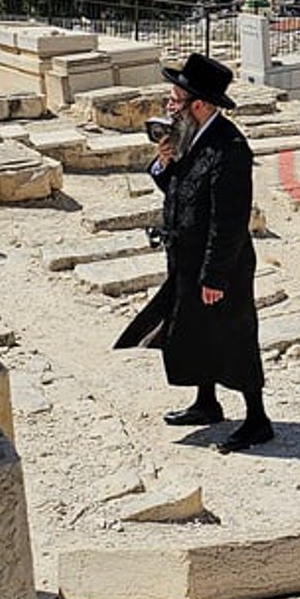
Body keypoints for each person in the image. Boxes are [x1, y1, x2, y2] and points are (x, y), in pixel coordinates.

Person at [116, 53, 271, 452]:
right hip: (186, 260)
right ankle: (207, 403)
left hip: (223, 267)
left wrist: (215, 277)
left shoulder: (230, 148)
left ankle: (257, 419)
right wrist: (162, 166)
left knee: (235, 337)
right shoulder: (190, 137)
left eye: (175, 99)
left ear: (199, 104)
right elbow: (181, 193)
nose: (170, 107)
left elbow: (229, 220)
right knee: (194, 332)